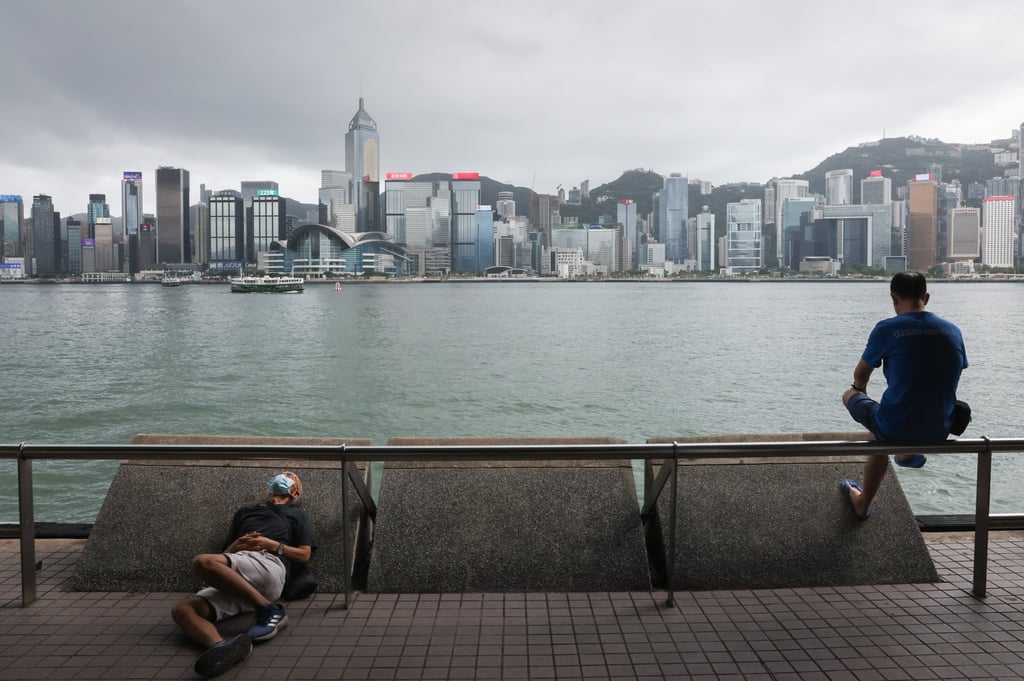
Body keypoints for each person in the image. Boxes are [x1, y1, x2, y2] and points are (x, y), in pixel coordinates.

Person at [840, 271, 968, 519]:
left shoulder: (888, 328)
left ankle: (862, 502)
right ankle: (907, 453)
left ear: (893, 298)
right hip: (940, 428)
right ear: (926, 297)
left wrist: (859, 390)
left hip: (895, 426)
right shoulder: (953, 331)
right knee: (890, 423)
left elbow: (861, 375)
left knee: (851, 396)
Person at [171, 471, 317, 678]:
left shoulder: (297, 514)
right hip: (241, 573)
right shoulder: (245, 512)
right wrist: (234, 546)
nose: (285, 474)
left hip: (269, 565)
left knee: (202, 562)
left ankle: (269, 610)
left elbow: (304, 555)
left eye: (290, 476)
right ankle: (222, 647)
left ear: (296, 493)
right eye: (283, 474)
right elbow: (224, 556)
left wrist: (272, 545)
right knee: (182, 610)